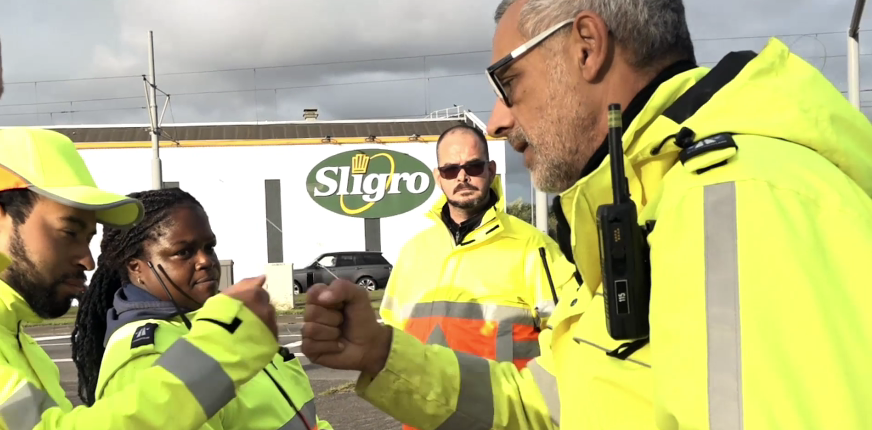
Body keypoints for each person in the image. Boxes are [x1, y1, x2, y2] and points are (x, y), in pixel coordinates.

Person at [299, 0, 872, 429]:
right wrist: (381, 352)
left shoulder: (738, 200)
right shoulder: (655, 208)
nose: (497, 120)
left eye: (508, 80)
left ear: (586, 46)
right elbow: (547, 403)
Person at [0, 126, 279, 430]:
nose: (87, 260)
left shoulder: (25, 349)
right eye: (69, 232)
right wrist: (221, 352)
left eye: (88, 238)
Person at [72, 187, 332, 430]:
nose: (205, 261)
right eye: (183, 252)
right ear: (136, 268)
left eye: (209, 247)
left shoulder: (222, 322)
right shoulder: (144, 358)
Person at [382, 124, 578, 430]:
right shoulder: (413, 253)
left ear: (490, 170)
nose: (462, 177)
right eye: (450, 169)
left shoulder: (533, 248)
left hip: (504, 420)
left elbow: (571, 340)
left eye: (472, 166)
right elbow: (393, 345)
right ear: (438, 177)